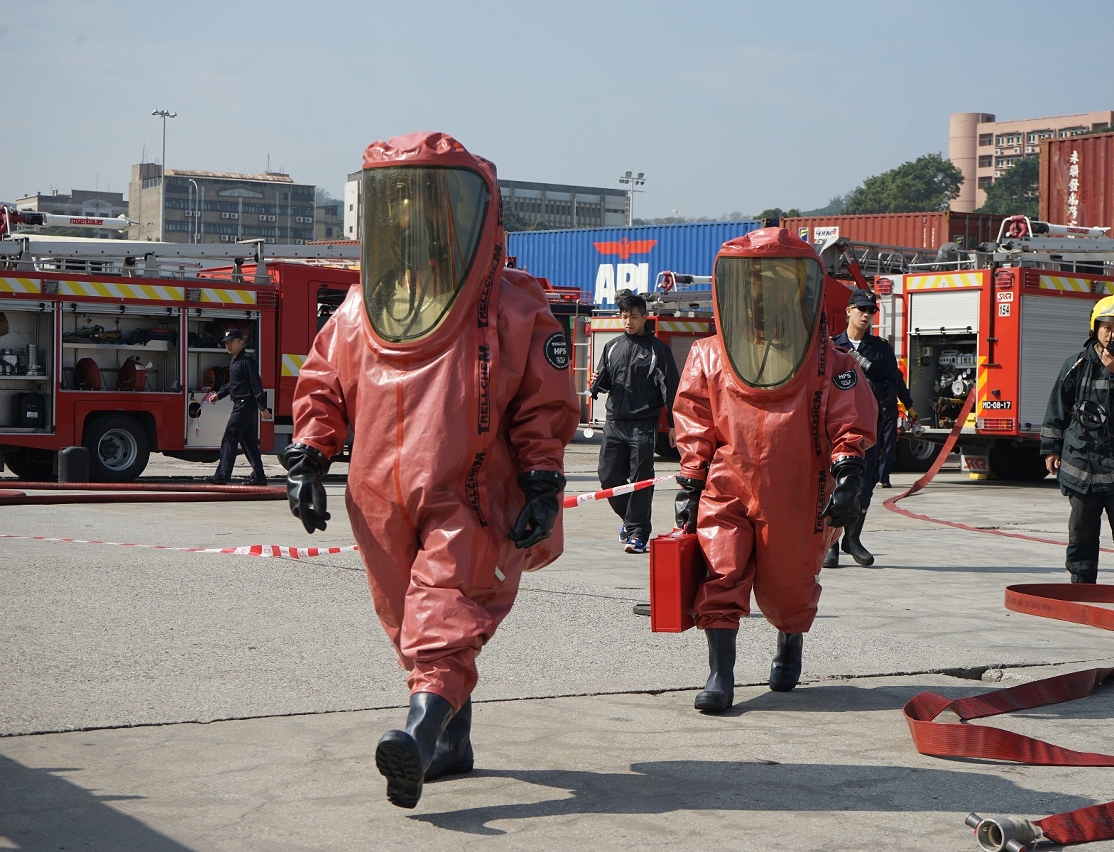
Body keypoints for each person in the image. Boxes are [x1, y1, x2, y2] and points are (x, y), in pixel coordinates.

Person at [283, 131, 579, 809]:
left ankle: (417, 742)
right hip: (377, 498)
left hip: (469, 491)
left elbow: (544, 405)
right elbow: (324, 383)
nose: (416, 228)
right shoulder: (364, 307)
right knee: (409, 626)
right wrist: (311, 455)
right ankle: (452, 741)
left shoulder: (513, 306)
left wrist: (541, 479)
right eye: (405, 209)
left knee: (443, 617)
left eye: (432, 211)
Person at [672, 227, 877, 713]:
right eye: (754, 295)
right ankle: (721, 674)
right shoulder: (708, 355)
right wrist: (689, 482)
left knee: (790, 586)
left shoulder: (830, 360)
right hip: (727, 484)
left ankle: (790, 642)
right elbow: (694, 420)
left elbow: (850, 421)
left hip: (798, 487)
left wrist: (848, 477)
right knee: (720, 574)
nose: (762, 307)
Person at [1040, 295, 1114, 586]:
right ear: (1095, 326)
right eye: (1107, 327)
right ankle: (1082, 581)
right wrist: (1050, 449)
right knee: (1081, 526)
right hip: (1081, 463)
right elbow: (1057, 408)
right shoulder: (1076, 364)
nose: (1112, 334)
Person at [823, 288, 916, 568]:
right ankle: (832, 545)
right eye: (861, 309)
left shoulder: (881, 349)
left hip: (867, 428)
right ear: (849, 310)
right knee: (833, 484)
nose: (866, 314)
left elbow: (891, 386)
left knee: (865, 484)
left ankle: (853, 539)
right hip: (835, 428)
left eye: (871, 311)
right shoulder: (831, 345)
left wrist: (869, 385)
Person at [589, 289, 680, 554]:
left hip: (643, 424)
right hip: (614, 422)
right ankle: (632, 523)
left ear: (645, 318)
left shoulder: (658, 351)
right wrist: (596, 384)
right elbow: (604, 379)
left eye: (634, 317)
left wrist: (673, 424)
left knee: (641, 479)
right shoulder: (612, 345)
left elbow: (671, 390)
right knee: (608, 478)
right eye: (625, 316)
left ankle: (638, 534)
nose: (629, 321)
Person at [205, 328, 272, 485]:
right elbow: (232, 385)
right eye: (226, 343)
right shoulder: (235, 361)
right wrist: (219, 395)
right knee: (248, 442)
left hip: (245, 405)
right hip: (241, 405)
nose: (228, 346)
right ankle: (259, 476)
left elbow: (257, 385)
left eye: (232, 342)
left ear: (241, 343)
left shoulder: (247, 362)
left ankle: (222, 476)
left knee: (230, 437)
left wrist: (263, 407)